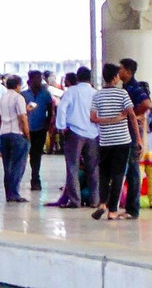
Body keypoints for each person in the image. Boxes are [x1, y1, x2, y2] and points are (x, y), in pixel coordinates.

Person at [91, 63, 139, 221]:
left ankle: (102, 203)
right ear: (114, 77)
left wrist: (106, 121)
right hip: (122, 140)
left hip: (105, 141)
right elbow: (131, 115)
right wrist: (137, 137)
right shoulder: (122, 93)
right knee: (118, 175)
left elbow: (93, 118)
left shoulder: (97, 95)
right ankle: (112, 211)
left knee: (104, 174)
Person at [50, 66, 99, 209]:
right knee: (93, 168)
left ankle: (75, 200)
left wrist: (61, 126)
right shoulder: (95, 93)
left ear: (77, 77)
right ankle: (95, 200)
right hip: (93, 133)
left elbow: (62, 108)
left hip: (75, 132)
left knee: (72, 167)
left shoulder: (71, 92)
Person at [118, 58, 150, 219]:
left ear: (128, 71)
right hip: (127, 132)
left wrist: (134, 115)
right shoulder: (125, 87)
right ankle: (130, 207)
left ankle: (132, 208)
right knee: (130, 169)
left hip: (131, 133)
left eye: (121, 68)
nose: (119, 71)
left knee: (133, 170)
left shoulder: (134, 87)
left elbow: (146, 103)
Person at [0, 75, 31, 202]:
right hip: (17, 133)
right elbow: (22, 118)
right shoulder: (19, 98)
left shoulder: (2, 98)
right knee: (18, 165)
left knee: (7, 165)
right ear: (18, 85)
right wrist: (27, 135)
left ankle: (9, 193)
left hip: (4, 133)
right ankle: (14, 193)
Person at [21, 70, 54, 192]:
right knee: (25, 155)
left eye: (40, 79)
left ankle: (35, 179)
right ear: (29, 80)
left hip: (40, 129)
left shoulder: (46, 94)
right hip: (26, 129)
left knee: (36, 155)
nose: (39, 81)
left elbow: (50, 110)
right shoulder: (24, 95)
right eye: (36, 79)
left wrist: (47, 124)